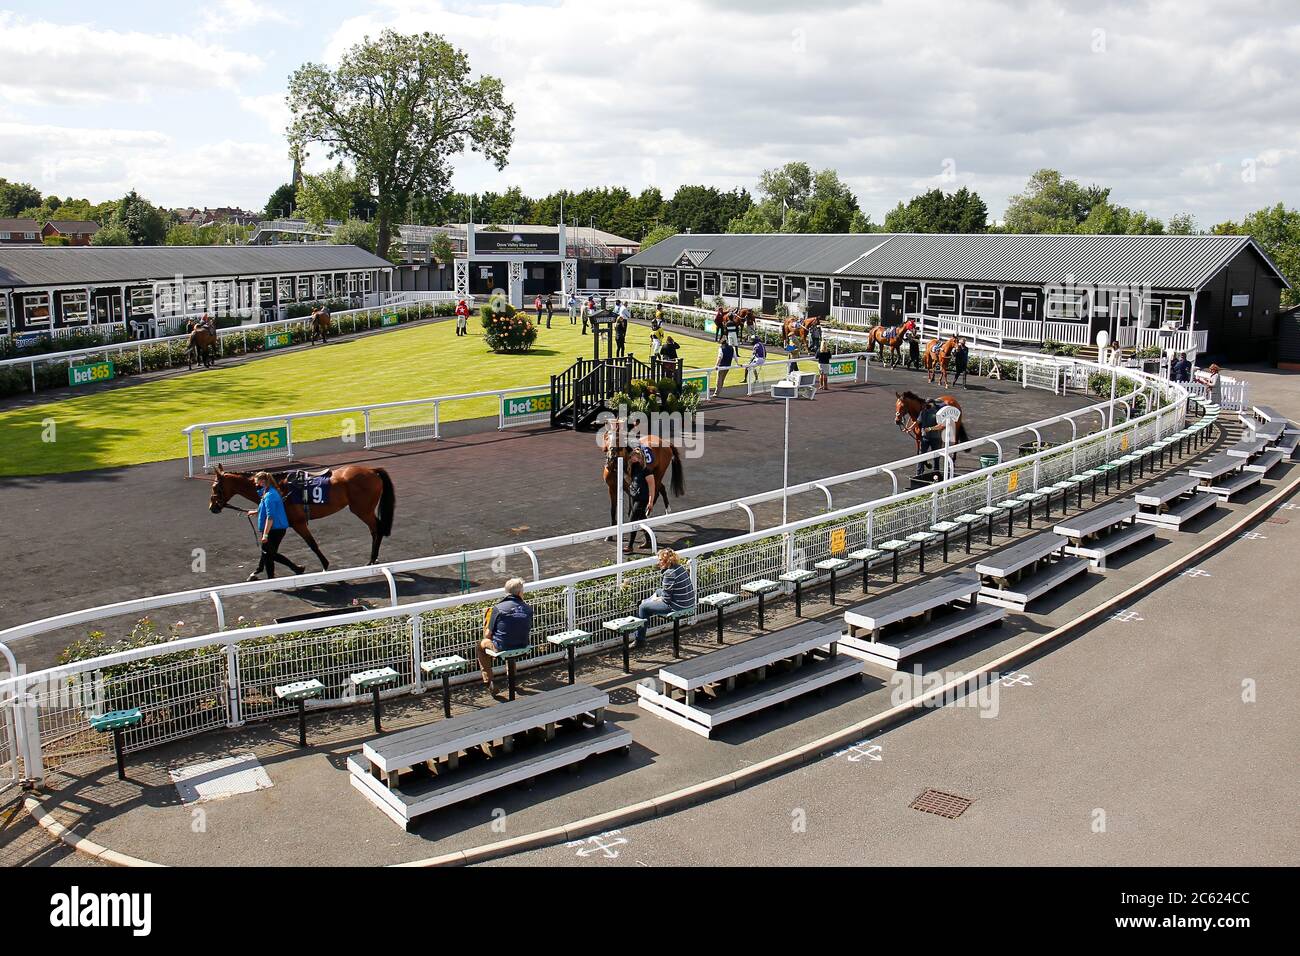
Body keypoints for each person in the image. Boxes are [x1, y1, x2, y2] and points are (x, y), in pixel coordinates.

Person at [476, 577, 533, 694]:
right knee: (511, 642)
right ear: (520, 592)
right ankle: (512, 680)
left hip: (502, 647)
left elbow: (488, 634)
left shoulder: (498, 608)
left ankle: (489, 681)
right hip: (523, 645)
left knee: (480, 646)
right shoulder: (528, 608)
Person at [245, 472, 303, 581]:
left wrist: (265, 534)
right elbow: (268, 509)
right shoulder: (268, 492)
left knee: (269, 554)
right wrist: (256, 512)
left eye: (256, 481)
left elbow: (270, 516)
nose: (255, 483)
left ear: (262, 481)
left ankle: (273, 578)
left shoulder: (270, 496)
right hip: (276, 528)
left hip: (274, 529)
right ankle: (292, 569)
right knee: (268, 553)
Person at [634, 548, 696, 647]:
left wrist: (656, 600)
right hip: (688, 601)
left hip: (678, 606)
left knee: (643, 608)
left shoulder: (669, 574)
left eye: (660, 560)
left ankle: (639, 640)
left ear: (666, 561)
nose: (658, 563)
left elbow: (666, 600)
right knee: (658, 591)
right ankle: (646, 601)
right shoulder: (679, 568)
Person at [624, 447, 656, 554]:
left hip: (642, 499)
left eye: (635, 456)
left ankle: (630, 546)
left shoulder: (646, 471)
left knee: (633, 520)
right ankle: (649, 540)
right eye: (632, 456)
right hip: (634, 497)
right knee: (642, 519)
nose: (632, 458)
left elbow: (652, 486)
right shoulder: (632, 468)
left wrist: (650, 502)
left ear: (640, 458)